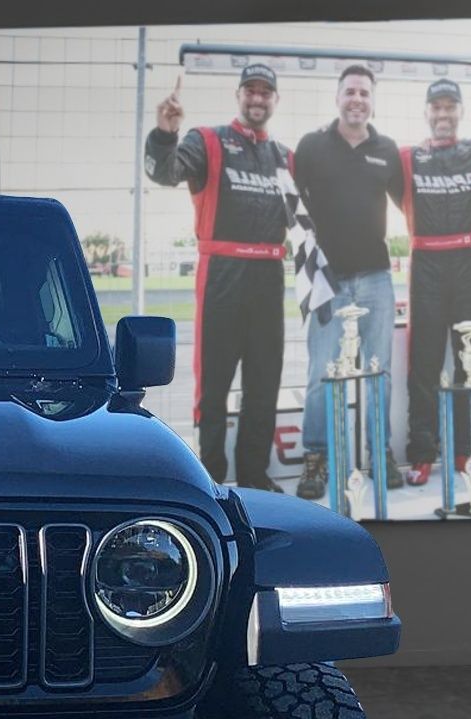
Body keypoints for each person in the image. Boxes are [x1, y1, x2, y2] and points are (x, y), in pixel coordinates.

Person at [146, 63, 291, 491]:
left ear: (275, 100)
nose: (258, 98)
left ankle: (254, 476)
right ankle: (209, 478)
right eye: (251, 90)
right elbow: (164, 172)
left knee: (264, 385)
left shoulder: (286, 156)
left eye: (266, 92)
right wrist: (165, 134)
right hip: (222, 274)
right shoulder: (208, 140)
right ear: (239, 95)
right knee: (214, 387)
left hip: (270, 275)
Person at [293, 64, 406, 500]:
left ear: (372, 100)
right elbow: (287, 204)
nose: (357, 99)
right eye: (350, 92)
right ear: (337, 97)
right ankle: (317, 455)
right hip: (327, 278)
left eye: (364, 93)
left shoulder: (388, 150)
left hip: (377, 276)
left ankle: (381, 454)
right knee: (322, 373)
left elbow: (412, 205)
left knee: (378, 372)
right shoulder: (312, 145)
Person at [398, 79, 471, 487]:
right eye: (436, 108)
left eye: (450, 108)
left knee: (468, 363)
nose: (443, 115)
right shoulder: (407, 157)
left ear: (460, 111)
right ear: (427, 112)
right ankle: (422, 453)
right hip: (426, 261)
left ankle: (463, 450)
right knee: (423, 364)